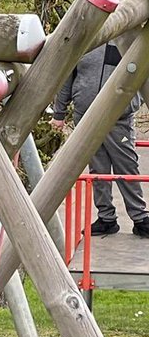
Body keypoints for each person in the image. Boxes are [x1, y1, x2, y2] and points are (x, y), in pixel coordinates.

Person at [51, 41, 148, 237]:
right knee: (97, 168)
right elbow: (67, 78)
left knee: (126, 166)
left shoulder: (130, 40)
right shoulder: (88, 41)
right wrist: (59, 113)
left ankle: (140, 218)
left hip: (118, 117)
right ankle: (106, 217)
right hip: (86, 116)